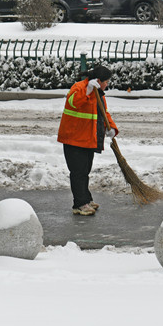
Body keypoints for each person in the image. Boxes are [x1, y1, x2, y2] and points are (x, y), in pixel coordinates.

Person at [57, 65, 118, 216]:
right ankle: (79, 204)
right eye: (106, 81)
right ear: (98, 80)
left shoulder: (99, 93)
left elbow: (104, 112)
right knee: (77, 173)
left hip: (87, 139)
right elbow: (73, 102)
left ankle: (86, 199)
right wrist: (87, 91)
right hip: (73, 139)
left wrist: (111, 128)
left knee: (85, 171)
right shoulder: (79, 88)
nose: (107, 84)